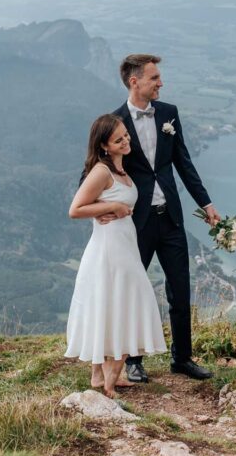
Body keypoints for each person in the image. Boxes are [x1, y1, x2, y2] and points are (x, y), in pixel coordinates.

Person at [102, 54, 220, 383]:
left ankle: (182, 358)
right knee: (133, 291)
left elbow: (183, 162)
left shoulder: (169, 114)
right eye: (154, 78)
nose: (161, 83)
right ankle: (133, 361)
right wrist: (102, 208)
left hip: (170, 217)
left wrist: (206, 203)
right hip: (134, 221)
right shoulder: (114, 122)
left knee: (180, 291)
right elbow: (100, 169)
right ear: (134, 81)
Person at [65, 114, 167, 397]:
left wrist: (112, 208)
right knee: (130, 302)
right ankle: (109, 383)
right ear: (104, 146)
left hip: (123, 246)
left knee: (113, 305)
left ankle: (100, 377)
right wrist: (112, 210)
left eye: (126, 135)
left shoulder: (121, 170)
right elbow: (75, 209)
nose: (126, 141)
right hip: (110, 250)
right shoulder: (101, 171)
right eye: (118, 139)